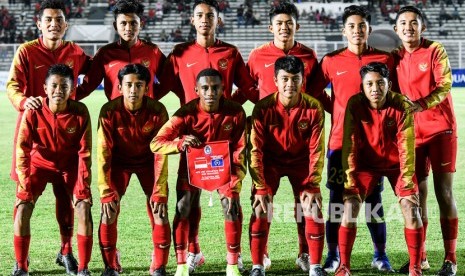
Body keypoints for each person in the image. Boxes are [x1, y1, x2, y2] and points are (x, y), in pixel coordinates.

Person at [156, 0, 257, 272]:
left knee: (230, 201)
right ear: (192, 20)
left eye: (209, 16)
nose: (204, 20)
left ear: (218, 20)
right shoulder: (179, 52)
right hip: (192, 138)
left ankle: (233, 259)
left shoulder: (231, 52)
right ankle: (194, 251)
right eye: (199, 15)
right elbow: (158, 90)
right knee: (188, 202)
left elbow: (247, 88)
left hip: (224, 139)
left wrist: (228, 106)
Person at [308, 5, 395, 273]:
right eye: (352, 26)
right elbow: (312, 92)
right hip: (340, 144)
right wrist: (333, 107)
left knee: (373, 201)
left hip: (374, 145)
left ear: (369, 29)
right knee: (337, 200)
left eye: (362, 26)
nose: (357, 31)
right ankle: (334, 255)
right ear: (343, 30)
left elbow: (396, 96)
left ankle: (380, 255)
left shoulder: (385, 59)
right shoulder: (331, 61)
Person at [6, 0, 91, 274]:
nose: (54, 24)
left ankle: (66, 252)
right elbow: (12, 85)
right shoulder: (26, 51)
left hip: (67, 133)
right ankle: (21, 263)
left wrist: (75, 99)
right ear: (39, 24)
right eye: (49, 20)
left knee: (66, 200)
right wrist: (24, 101)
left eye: (59, 20)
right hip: (34, 134)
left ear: (66, 25)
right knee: (23, 199)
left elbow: (95, 74)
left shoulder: (76, 52)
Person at [243, 1, 324, 272]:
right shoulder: (256, 56)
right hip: (269, 148)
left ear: (297, 26)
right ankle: (260, 257)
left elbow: (317, 95)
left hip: (301, 146)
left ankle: (306, 255)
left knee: (308, 204)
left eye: (289, 23)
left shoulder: (310, 57)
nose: (284, 27)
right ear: (270, 27)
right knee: (260, 202)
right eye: (279, 23)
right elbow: (246, 90)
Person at [151, 68, 247, 276]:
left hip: (225, 169)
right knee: (184, 206)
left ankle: (232, 264)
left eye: (215, 88)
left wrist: (235, 180)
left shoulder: (236, 112)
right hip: (192, 169)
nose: (210, 92)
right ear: (196, 90)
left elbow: (241, 148)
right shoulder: (186, 113)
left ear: (224, 89)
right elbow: (156, 143)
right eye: (205, 88)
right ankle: (182, 264)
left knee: (231, 206)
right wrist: (179, 143)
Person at [335, 62, 423, 276]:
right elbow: (350, 144)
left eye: (380, 83)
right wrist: (350, 180)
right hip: (365, 165)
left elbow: (406, 148)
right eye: (370, 84)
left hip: (397, 166)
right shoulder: (355, 104)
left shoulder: (401, 105)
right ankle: (344, 266)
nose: (375, 88)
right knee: (349, 208)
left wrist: (408, 183)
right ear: (362, 86)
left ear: (389, 84)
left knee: (411, 209)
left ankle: (415, 267)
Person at [393, 6, 458, 276]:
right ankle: (419, 258)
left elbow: (445, 84)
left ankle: (451, 259)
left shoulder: (435, 50)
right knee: (416, 197)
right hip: (410, 135)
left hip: (441, 130)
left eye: (414, 23)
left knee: (444, 193)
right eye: (403, 23)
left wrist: (420, 105)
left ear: (423, 27)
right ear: (396, 30)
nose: (409, 27)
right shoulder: (393, 57)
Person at [13, 64, 93, 276]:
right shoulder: (34, 111)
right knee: (22, 207)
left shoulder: (80, 112)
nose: (59, 90)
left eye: (64, 86)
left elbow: (85, 153)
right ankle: (21, 266)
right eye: (54, 86)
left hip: (69, 166)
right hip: (39, 165)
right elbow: (22, 149)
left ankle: (81, 266)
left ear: (72, 88)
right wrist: (24, 183)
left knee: (83, 207)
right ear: (45, 88)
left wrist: (83, 185)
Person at [96, 64, 169, 276]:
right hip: (119, 163)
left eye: (139, 85)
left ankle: (159, 265)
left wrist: (160, 192)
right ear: (119, 86)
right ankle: (111, 266)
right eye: (128, 85)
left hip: (149, 162)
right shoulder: (109, 111)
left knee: (159, 210)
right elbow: (103, 154)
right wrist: (105, 191)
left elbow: (161, 153)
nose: (133, 90)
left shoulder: (157, 110)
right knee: (108, 211)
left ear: (147, 88)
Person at [75, 0, 166, 101]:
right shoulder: (105, 53)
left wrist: (152, 99)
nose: (128, 28)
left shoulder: (153, 51)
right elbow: (87, 86)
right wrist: (65, 101)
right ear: (115, 26)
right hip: (116, 115)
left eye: (133, 23)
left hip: (147, 115)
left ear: (141, 25)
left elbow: (168, 81)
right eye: (123, 23)